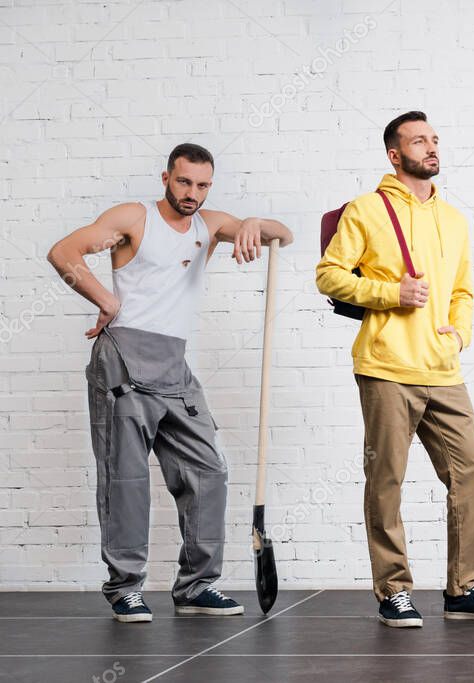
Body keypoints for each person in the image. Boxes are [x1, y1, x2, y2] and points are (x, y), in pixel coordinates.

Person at [47, 143, 294, 623]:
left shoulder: (210, 224)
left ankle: (196, 587)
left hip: (174, 363)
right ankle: (125, 588)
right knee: (128, 479)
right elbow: (63, 251)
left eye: (203, 185)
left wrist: (250, 223)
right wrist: (105, 300)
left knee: (208, 471)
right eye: (184, 182)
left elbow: (284, 234)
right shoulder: (134, 217)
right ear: (166, 178)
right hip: (123, 356)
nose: (192, 194)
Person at [316, 111, 474, 627]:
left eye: (434, 139)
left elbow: (464, 290)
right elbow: (329, 275)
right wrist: (391, 293)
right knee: (387, 478)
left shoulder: (453, 219)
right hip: (386, 367)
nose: (431, 148)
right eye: (418, 141)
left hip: (443, 370)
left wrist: (461, 332)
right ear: (394, 154)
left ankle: (465, 588)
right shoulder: (366, 210)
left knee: (470, 471)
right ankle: (393, 591)